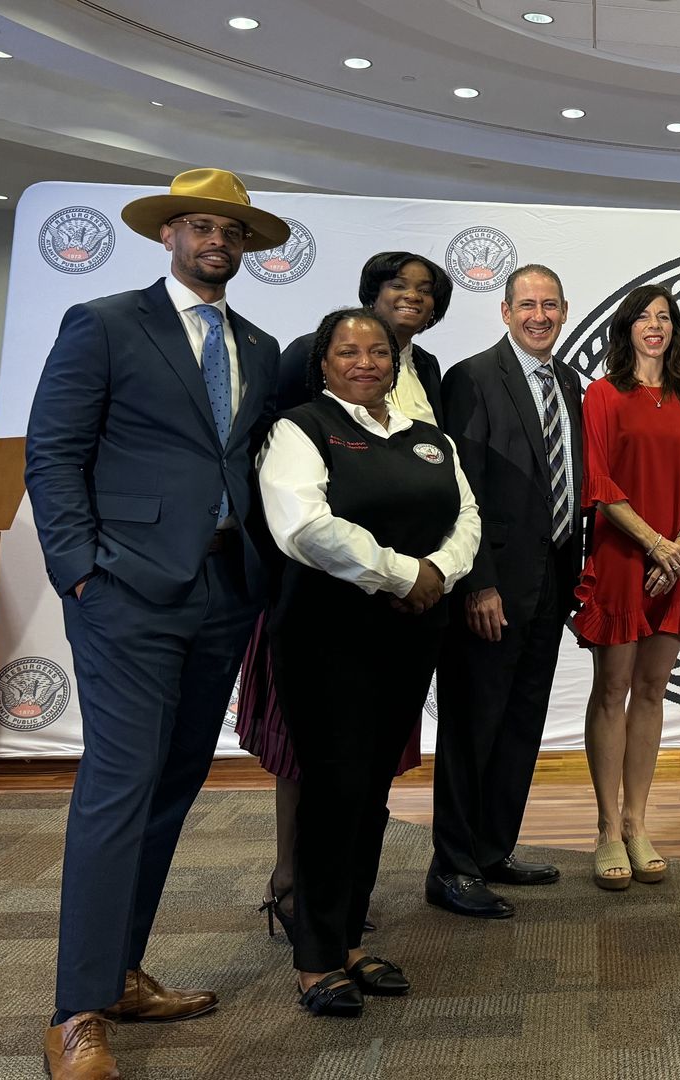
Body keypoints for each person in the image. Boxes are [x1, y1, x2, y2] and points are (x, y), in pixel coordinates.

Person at [25, 168, 286, 1078]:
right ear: (167, 235)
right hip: (125, 591)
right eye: (201, 226)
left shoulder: (259, 343)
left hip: (224, 590)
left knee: (172, 786)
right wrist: (79, 572)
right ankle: (76, 1012)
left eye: (233, 231)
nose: (218, 241)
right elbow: (53, 452)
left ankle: (121, 972)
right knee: (120, 785)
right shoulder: (103, 323)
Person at [259, 307, 479, 1015]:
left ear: (395, 362)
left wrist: (438, 572)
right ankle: (315, 959)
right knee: (333, 789)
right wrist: (402, 574)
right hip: (327, 634)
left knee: (373, 789)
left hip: (411, 633)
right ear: (322, 362)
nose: (365, 363)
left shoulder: (429, 438)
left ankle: (349, 940)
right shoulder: (300, 428)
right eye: (347, 352)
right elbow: (304, 527)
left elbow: (467, 519)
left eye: (378, 352)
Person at [236, 251, 455, 935]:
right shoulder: (306, 364)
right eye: (398, 285)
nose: (411, 296)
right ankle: (292, 885)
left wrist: (431, 573)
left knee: (368, 759)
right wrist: (391, 570)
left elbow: (447, 484)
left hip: (406, 607)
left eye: (425, 289)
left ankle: (342, 902)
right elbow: (276, 481)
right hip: (320, 595)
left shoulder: (428, 371)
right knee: (307, 752)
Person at [428, 264, 584, 918]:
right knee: (472, 728)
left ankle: (493, 849)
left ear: (564, 310)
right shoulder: (472, 377)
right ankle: (452, 868)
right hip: (490, 587)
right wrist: (478, 584)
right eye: (527, 305)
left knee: (521, 724)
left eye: (550, 305)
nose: (538, 316)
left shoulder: (568, 381)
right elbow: (461, 490)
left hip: (551, 582)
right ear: (505, 311)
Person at [575, 283, 680, 889]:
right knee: (613, 689)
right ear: (626, 328)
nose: (655, 326)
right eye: (643, 317)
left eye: (664, 317)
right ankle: (607, 828)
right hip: (622, 556)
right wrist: (655, 544)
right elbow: (600, 483)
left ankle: (637, 822)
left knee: (653, 690)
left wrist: (679, 546)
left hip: (676, 562)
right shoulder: (603, 394)